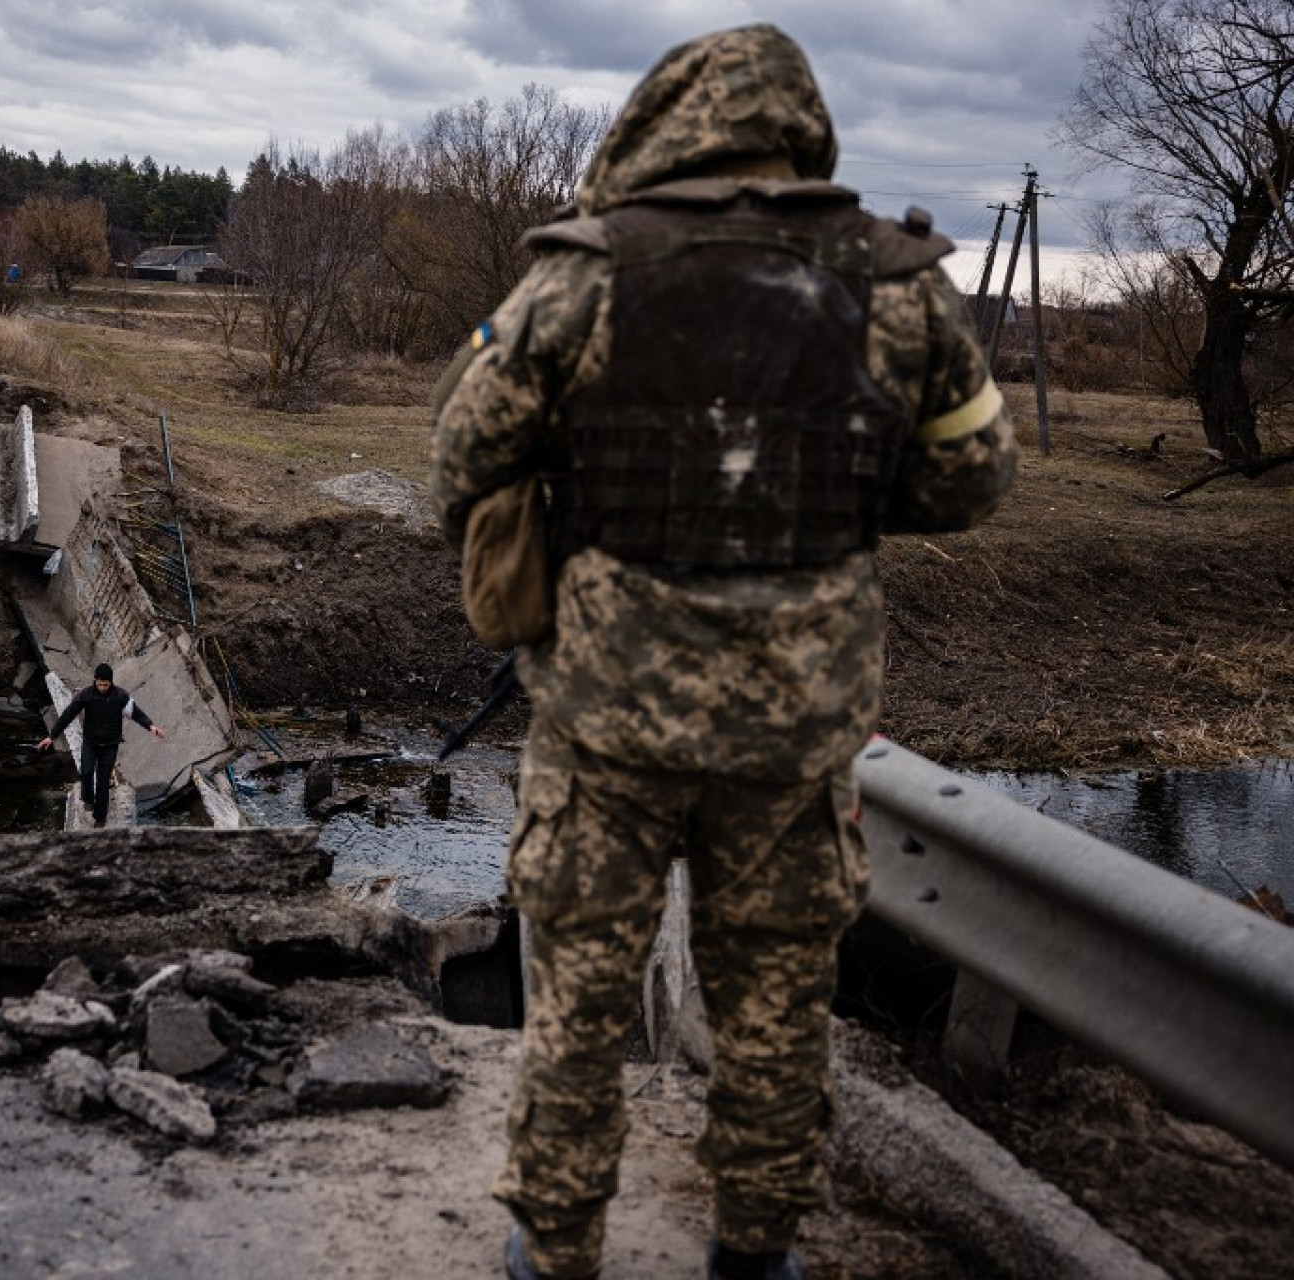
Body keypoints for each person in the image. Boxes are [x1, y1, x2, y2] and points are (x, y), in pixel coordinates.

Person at [430, 24, 1018, 1280]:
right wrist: (828, 505)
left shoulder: (582, 275)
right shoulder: (898, 280)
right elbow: (975, 475)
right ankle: (755, 1252)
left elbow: (460, 453)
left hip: (606, 722)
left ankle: (556, 1250)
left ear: (659, 124)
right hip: (796, 728)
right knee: (773, 1009)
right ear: (800, 127)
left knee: (580, 1001)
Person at [37, 663, 165, 826]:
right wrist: (52, 736)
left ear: (111, 682)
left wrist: (150, 726)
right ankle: (88, 800)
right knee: (86, 772)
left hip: (110, 745)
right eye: (100, 684)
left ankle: (100, 818)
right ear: (95, 681)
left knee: (103, 781)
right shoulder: (86, 695)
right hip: (90, 742)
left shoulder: (120, 695)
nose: (103, 687)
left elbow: (136, 713)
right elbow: (68, 715)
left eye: (106, 684)